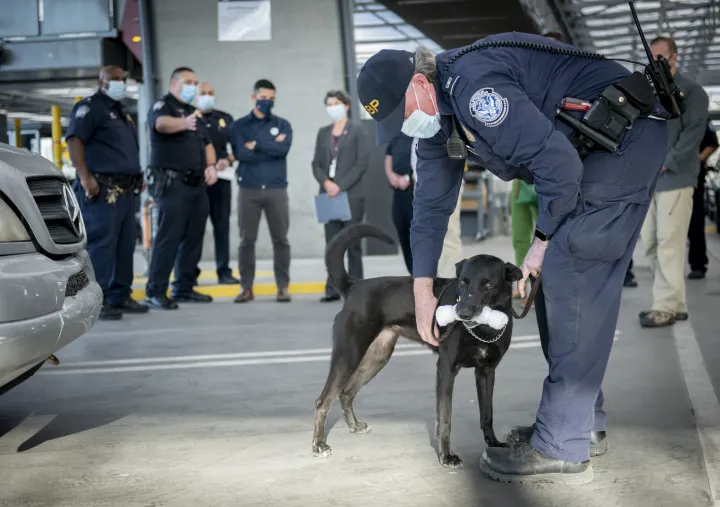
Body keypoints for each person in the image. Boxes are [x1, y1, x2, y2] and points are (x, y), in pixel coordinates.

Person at [357, 33, 669, 483]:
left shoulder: (473, 88)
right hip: (591, 147)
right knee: (549, 287)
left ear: (420, 87)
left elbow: (559, 167)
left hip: (624, 140)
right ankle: (580, 422)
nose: (405, 129)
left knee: (568, 271)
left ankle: (562, 442)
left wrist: (541, 243)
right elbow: (428, 211)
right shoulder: (436, 122)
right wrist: (422, 290)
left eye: (400, 115)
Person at [66, 65, 148, 320]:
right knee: (102, 245)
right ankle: (95, 301)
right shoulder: (90, 108)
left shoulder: (121, 111)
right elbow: (74, 140)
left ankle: (119, 294)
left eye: (123, 79)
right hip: (101, 189)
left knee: (125, 245)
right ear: (101, 81)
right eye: (114, 79)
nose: (119, 83)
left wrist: (136, 175)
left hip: (124, 190)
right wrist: (85, 177)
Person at [639, 37, 709, 328]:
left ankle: (664, 306)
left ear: (674, 57)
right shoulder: (648, 93)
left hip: (676, 178)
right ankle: (676, 302)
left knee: (669, 242)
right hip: (650, 180)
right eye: (651, 59)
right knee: (651, 242)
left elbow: (693, 135)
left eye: (661, 59)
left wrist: (667, 161)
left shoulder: (693, 92)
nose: (656, 65)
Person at [144, 67, 218, 310]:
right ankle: (155, 291)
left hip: (197, 186)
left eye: (194, 83)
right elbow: (161, 125)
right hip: (172, 185)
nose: (192, 87)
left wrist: (211, 166)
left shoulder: (191, 111)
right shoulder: (163, 106)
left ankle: (184, 288)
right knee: (168, 239)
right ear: (174, 83)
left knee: (193, 239)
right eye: (188, 82)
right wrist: (183, 123)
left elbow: (207, 143)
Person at [230, 79, 293, 304]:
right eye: (263, 97)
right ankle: (246, 288)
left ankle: (283, 287)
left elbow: (283, 150)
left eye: (271, 99)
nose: (267, 102)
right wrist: (270, 145)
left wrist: (255, 144)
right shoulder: (239, 126)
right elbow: (241, 154)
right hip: (249, 190)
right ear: (254, 97)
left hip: (276, 189)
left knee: (281, 240)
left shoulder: (283, 124)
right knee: (247, 241)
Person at [311, 90, 370, 302]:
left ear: (346, 105)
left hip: (350, 194)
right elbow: (316, 163)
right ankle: (333, 287)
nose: (332, 107)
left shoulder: (357, 131)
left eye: (335, 103)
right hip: (328, 195)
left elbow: (362, 163)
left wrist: (340, 185)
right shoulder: (323, 132)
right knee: (333, 245)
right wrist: (326, 183)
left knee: (352, 243)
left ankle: (357, 289)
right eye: (329, 104)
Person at [195, 81, 239, 285]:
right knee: (194, 228)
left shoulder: (225, 119)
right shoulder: (189, 119)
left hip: (221, 180)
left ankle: (224, 270)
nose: (207, 96)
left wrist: (228, 160)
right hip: (196, 181)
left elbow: (239, 147)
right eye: (202, 93)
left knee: (222, 226)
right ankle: (189, 272)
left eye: (210, 93)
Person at [410, 136, 465, 278]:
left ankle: (450, 284)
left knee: (448, 237)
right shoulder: (419, 129)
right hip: (424, 188)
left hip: (444, 186)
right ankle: (434, 281)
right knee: (426, 238)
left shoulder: (438, 125)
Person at [687, 122, 719, 279]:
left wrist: (696, 160)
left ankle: (698, 264)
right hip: (671, 179)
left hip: (694, 181)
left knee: (695, 223)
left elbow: (713, 143)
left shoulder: (699, 118)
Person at [385, 131, 414, 274]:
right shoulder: (396, 135)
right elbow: (388, 157)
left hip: (417, 191)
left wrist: (408, 178)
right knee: (402, 230)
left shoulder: (421, 133)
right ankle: (413, 274)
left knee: (417, 235)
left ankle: (424, 276)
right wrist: (391, 176)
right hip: (399, 192)